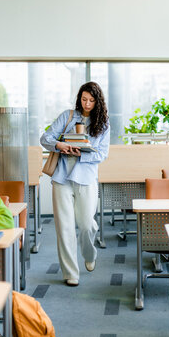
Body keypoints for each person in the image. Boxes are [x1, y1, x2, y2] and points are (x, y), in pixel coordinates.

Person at [40, 81, 110, 286]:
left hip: (86, 178)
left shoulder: (104, 123)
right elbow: (46, 138)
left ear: (98, 101)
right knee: (65, 227)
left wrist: (82, 154)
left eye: (91, 100)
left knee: (87, 224)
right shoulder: (68, 116)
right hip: (62, 177)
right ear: (79, 98)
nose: (87, 104)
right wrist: (59, 144)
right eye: (83, 99)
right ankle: (71, 273)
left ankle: (89, 254)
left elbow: (103, 154)